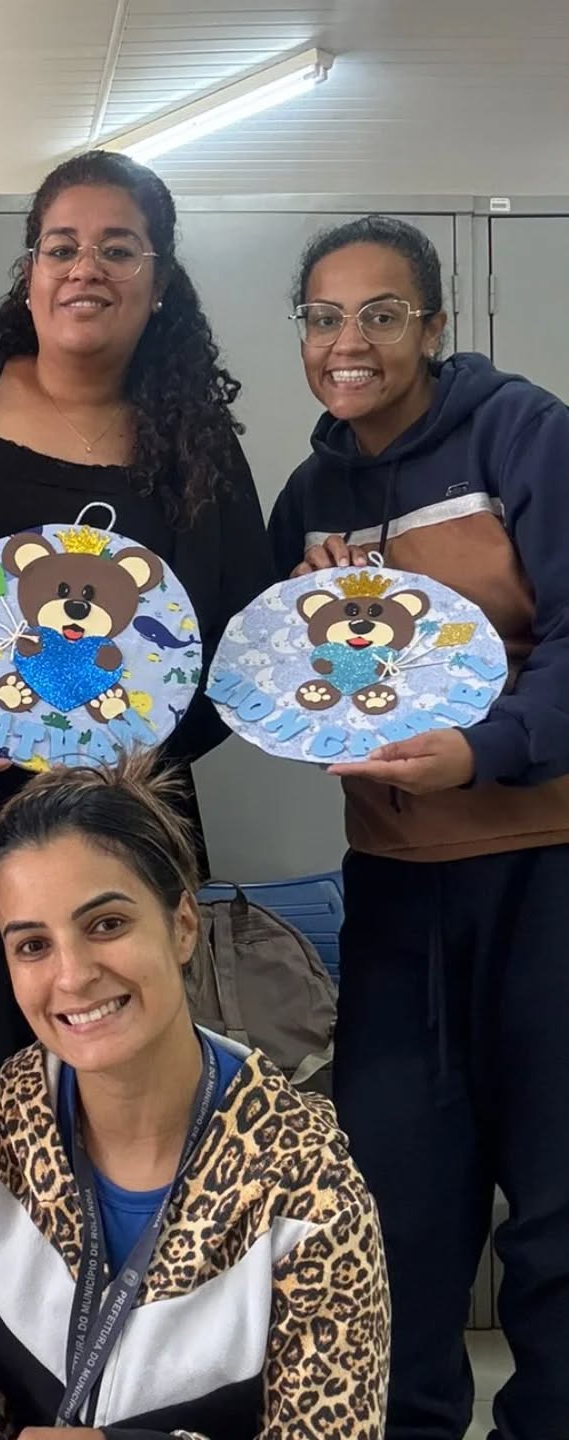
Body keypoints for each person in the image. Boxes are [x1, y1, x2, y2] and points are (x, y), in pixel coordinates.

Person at [0, 150, 274, 1218]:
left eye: (119, 248)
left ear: (160, 280)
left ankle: (107, 1327)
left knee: (119, 1109)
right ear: (28, 271)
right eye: (61, 246)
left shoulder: (194, 443)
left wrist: (146, 751)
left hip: (116, 835)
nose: (85, 268)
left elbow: (239, 644)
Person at [268, 214, 569, 1440]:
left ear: (433, 327)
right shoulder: (306, 496)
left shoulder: (521, 434)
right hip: (391, 889)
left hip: (542, 870)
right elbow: (269, 674)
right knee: (396, 1199)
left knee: (554, 1206)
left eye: (381, 314)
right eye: (323, 317)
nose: (349, 342)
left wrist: (485, 751)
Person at [0, 755, 388, 1439]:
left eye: (106, 925)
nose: (72, 976)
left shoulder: (304, 1179)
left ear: (183, 925)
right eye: (33, 945)